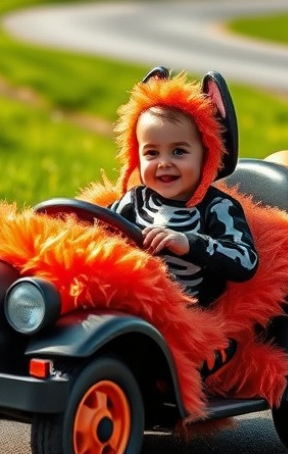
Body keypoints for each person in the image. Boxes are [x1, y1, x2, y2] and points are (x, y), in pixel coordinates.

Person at [109, 72, 258, 377]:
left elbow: (246, 260)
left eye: (179, 151)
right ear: (136, 157)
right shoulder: (133, 201)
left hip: (195, 314)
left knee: (180, 347)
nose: (164, 162)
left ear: (206, 153)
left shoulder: (218, 208)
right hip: (135, 306)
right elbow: (100, 232)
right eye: (152, 152)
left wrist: (190, 243)